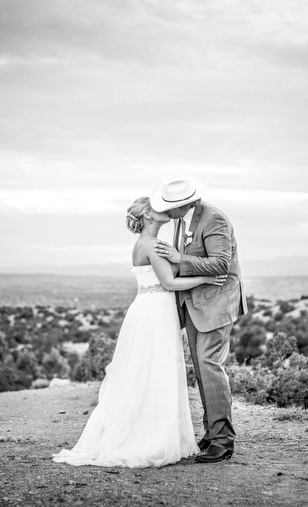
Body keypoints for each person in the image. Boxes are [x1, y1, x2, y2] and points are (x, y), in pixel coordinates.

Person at [52, 196, 227, 468]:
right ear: (147, 215)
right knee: (156, 372)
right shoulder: (152, 245)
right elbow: (169, 282)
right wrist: (207, 277)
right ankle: (151, 438)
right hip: (156, 312)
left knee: (147, 373)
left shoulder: (143, 244)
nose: (163, 208)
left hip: (147, 310)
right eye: (156, 207)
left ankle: (150, 430)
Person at [151, 176, 247, 463]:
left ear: (184, 204)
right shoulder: (183, 221)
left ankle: (223, 441)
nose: (166, 213)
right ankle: (212, 432)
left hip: (216, 303)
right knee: (202, 368)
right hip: (195, 304)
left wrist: (179, 259)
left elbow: (221, 263)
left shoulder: (214, 219)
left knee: (209, 366)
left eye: (170, 207)